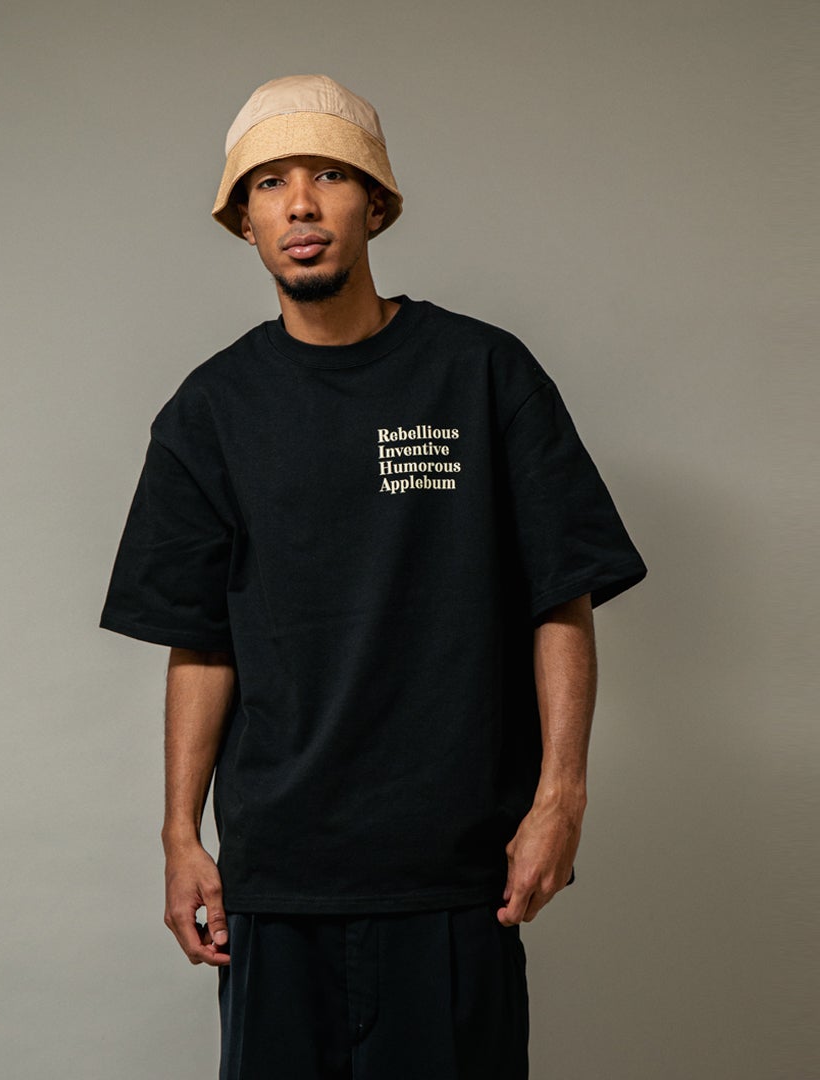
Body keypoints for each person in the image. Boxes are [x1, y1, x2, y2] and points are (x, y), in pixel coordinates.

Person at [98, 73, 648, 1079]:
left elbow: (560, 596)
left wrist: (561, 799)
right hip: (277, 881)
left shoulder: (483, 375)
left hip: (454, 877)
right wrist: (179, 837)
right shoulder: (210, 411)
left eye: (330, 175)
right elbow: (201, 643)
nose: (300, 204)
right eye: (270, 183)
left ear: (377, 203)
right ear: (245, 221)